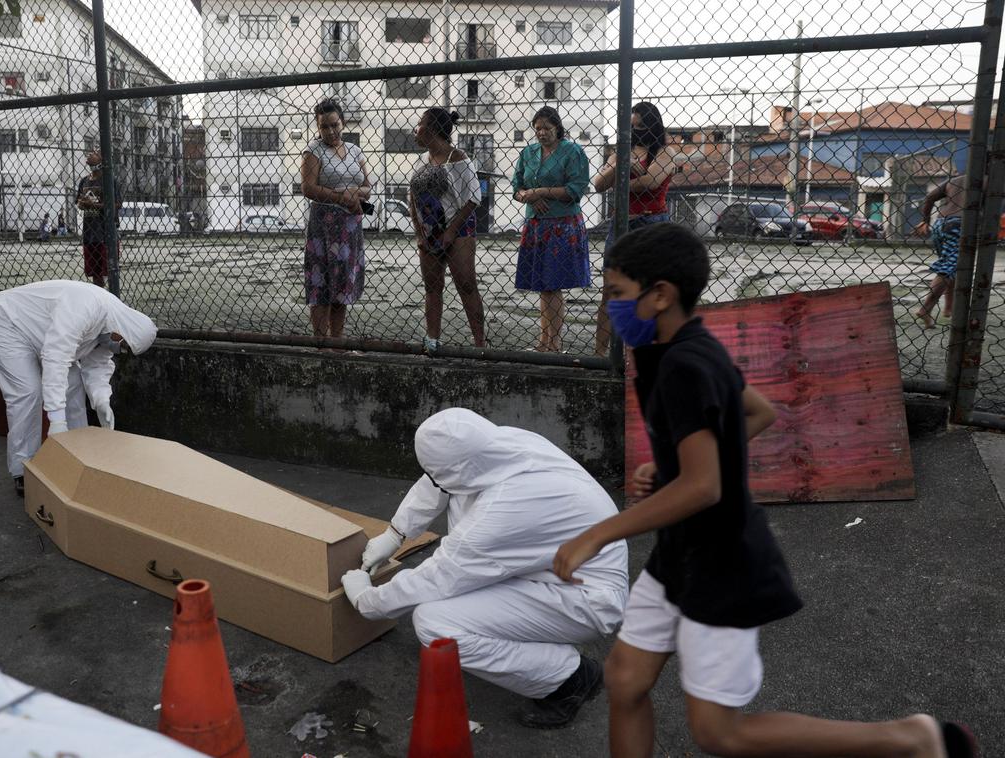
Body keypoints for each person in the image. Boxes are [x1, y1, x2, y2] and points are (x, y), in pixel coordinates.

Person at [552, 223, 978, 758]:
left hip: (722, 563)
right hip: (680, 553)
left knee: (719, 734)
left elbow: (704, 488)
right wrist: (676, 469)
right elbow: (756, 412)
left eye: (616, 293)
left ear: (659, 294)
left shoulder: (685, 364)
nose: (608, 307)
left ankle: (911, 738)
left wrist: (600, 533)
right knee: (626, 681)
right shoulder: (680, 348)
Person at [341, 407, 629, 729]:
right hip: (551, 570)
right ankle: (541, 651)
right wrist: (395, 534)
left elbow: (441, 574)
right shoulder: (495, 445)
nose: (439, 480)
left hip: (585, 599)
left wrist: (367, 600)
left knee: (436, 625)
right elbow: (438, 480)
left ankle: (569, 679)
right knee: (456, 544)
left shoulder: (506, 508)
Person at [0, 280, 157, 497]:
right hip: (5, 321)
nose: (120, 348)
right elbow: (56, 357)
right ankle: (23, 469)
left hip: (41, 332)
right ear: (125, 329)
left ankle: (77, 456)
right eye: (124, 344)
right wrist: (56, 421)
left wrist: (101, 399)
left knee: (72, 384)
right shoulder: (88, 308)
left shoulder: (109, 328)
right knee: (27, 391)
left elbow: (97, 365)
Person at [591, 102, 677, 356]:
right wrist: (621, 166)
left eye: (640, 125)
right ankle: (600, 355)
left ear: (653, 125)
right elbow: (597, 184)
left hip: (650, 223)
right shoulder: (621, 152)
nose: (636, 131)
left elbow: (650, 182)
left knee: (649, 291)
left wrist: (621, 177)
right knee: (611, 291)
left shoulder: (665, 152)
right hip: (621, 224)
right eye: (631, 126)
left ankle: (644, 353)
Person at [511, 106, 593, 353]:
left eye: (547, 128)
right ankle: (543, 342)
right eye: (537, 128)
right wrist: (530, 197)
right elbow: (517, 186)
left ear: (558, 128)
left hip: (562, 225)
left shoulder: (572, 151)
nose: (541, 133)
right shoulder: (528, 153)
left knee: (553, 283)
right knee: (543, 285)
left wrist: (541, 192)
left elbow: (576, 189)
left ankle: (553, 343)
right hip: (536, 223)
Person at [409, 107, 486, 351]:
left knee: (466, 284)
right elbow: (413, 198)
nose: (415, 130)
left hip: (458, 229)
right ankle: (432, 341)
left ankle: (480, 344)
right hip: (429, 232)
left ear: (431, 130)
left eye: (419, 124)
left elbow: (473, 197)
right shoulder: (423, 160)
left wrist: (451, 232)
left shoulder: (459, 158)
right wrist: (420, 234)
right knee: (432, 287)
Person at [300, 98, 371, 339]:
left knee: (342, 285)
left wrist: (354, 193)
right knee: (321, 284)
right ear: (317, 127)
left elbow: (368, 187)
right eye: (324, 127)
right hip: (324, 225)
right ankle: (321, 341)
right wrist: (340, 197)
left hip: (349, 226)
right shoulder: (314, 151)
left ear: (342, 122)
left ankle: (337, 342)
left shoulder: (355, 150)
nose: (331, 131)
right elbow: (308, 188)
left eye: (334, 125)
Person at [912, 174, 965, 329]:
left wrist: (926, 220)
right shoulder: (988, 180)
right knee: (949, 267)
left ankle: (949, 308)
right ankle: (926, 309)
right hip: (959, 225)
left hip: (940, 223)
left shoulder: (955, 180)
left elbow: (929, 197)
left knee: (951, 265)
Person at [76, 151, 122, 287]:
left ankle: (112, 299)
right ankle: (100, 299)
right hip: (89, 233)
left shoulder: (110, 180)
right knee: (95, 274)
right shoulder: (84, 181)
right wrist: (82, 204)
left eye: (96, 152)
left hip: (106, 233)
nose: (91, 153)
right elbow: (78, 202)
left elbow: (117, 204)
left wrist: (94, 205)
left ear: (102, 160)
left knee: (110, 271)